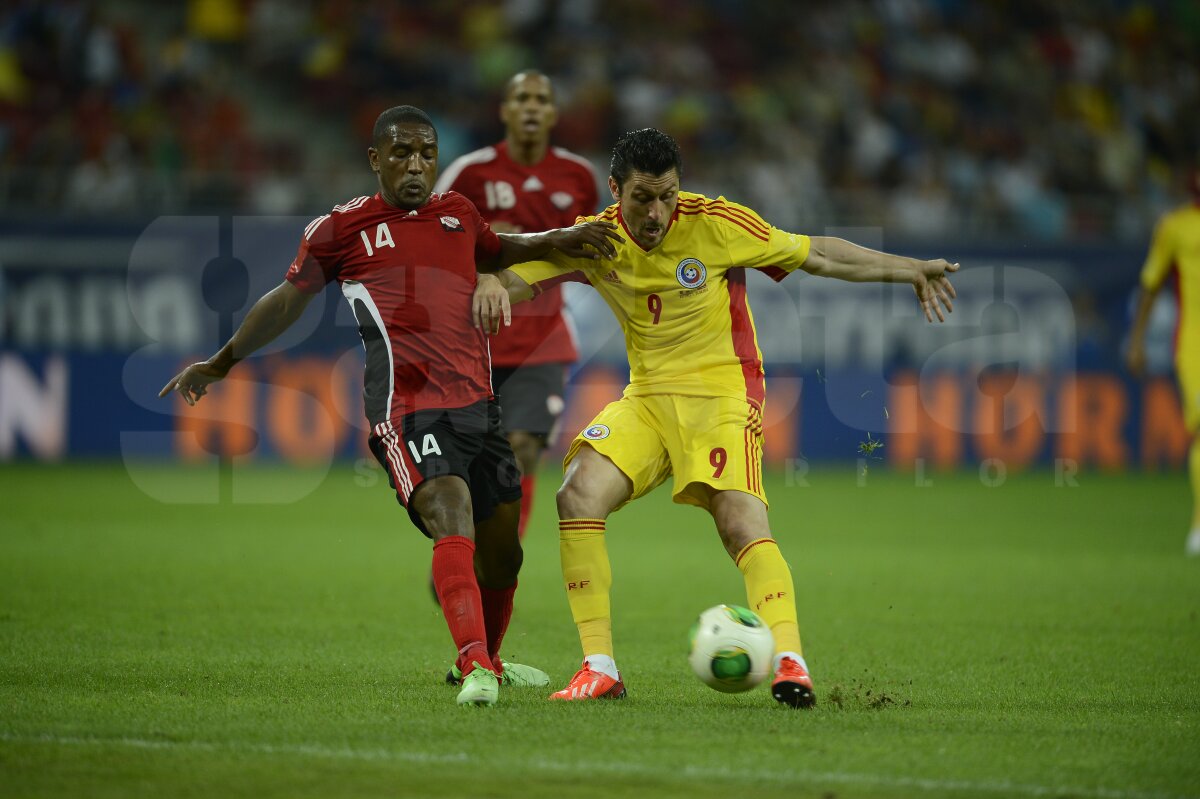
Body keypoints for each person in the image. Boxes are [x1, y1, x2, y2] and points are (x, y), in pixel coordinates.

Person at [160, 105, 622, 707]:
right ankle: (473, 662)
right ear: (375, 159)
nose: (416, 164)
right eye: (401, 153)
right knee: (449, 508)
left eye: (426, 153)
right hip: (405, 407)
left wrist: (560, 239)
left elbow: (499, 249)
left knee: (505, 552)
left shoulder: (457, 213)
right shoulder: (341, 229)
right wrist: (221, 362)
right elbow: (284, 302)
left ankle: (491, 662)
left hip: (478, 407)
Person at [485, 128, 958, 707]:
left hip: (722, 394)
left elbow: (817, 252)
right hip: (648, 397)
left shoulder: (717, 223)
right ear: (616, 190)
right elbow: (512, 276)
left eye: (667, 195)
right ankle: (599, 667)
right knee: (577, 495)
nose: (657, 212)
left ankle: (789, 662)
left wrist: (908, 268)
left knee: (739, 522)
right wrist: (487, 282)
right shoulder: (595, 239)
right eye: (642, 198)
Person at [434, 70, 599, 541]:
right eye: (521, 98)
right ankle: (461, 544)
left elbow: (594, 246)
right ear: (505, 110)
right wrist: (485, 270)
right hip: (475, 339)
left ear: (553, 113)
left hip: (542, 340)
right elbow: (437, 245)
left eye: (541, 99)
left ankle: (503, 553)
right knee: (470, 458)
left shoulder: (578, 176)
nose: (531, 106)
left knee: (522, 448)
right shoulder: (470, 172)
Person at [1126, 167, 1200, 556]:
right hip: (1195, 342)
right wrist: (1137, 340)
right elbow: (1151, 282)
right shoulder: (1175, 227)